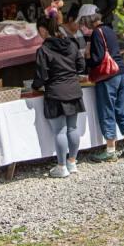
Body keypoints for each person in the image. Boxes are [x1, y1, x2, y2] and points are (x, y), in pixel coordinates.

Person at [80, 4, 124, 162]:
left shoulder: (97, 33)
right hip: (121, 73)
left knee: (107, 112)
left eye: (83, 23)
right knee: (121, 110)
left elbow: (98, 59)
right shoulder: (109, 30)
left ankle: (110, 149)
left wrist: (87, 57)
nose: (83, 27)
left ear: (87, 20)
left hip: (108, 77)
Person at [31, 14, 85, 178]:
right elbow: (81, 66)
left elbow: (42, 76)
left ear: (42, 29)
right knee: (73, 128)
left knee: (60, 132)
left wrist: (34, 86)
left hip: (55, 93)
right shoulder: (71, 44)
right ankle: (72, 163)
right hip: (74, 91)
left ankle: (61, 167)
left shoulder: (43, 50)